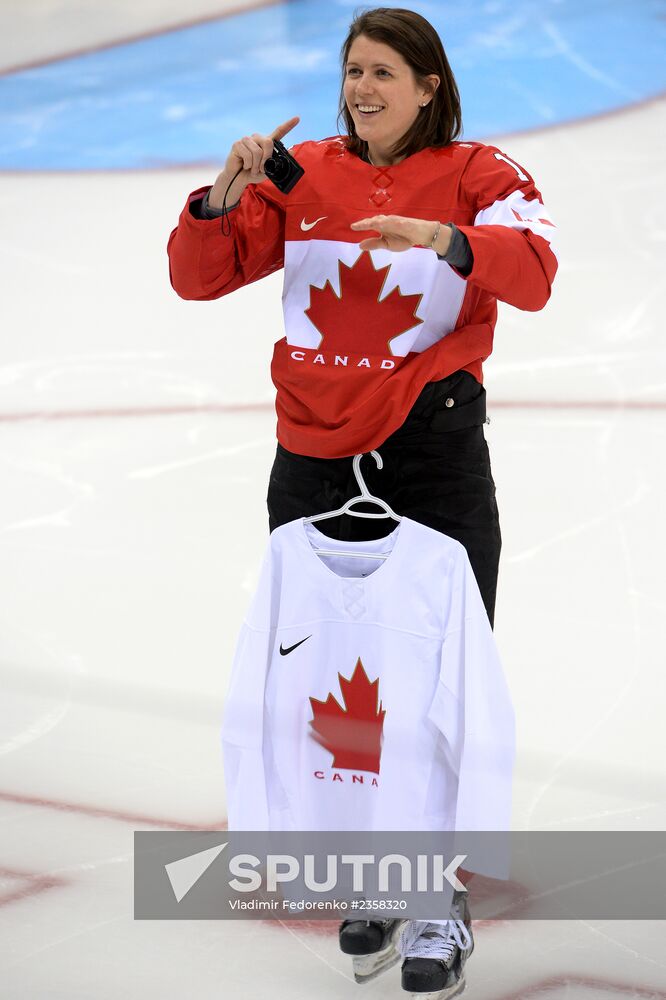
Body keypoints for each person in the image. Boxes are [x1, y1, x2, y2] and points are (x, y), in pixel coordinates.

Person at [168, 7, 557, 998]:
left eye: (383, 72)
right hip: (311, 460)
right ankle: (376, 875)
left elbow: (538, 273)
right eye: (351, 72)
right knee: (339, 685)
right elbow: (198, 276)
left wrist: (451, 239)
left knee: (437, 682)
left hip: (429, 451)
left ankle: (437, 897)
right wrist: (220, 200)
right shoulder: (311, 179)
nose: (361, 89)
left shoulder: (481, 173)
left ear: (431, 84)